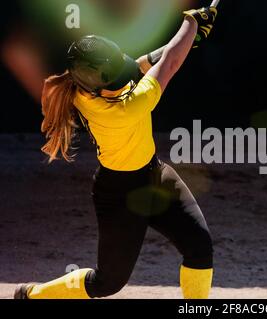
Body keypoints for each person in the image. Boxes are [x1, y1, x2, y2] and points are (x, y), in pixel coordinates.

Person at [14, 6, 218, 299]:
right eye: (117, 79)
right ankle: (32, 294)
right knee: (106, 283)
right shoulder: (125, 108)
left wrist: (189, 39)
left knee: (199, 248)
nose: (126, 79)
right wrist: (191, 23)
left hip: (155, 175)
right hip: (120, 194)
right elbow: (170, 63)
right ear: (97, 87)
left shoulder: (86, 88)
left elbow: (140, 65)